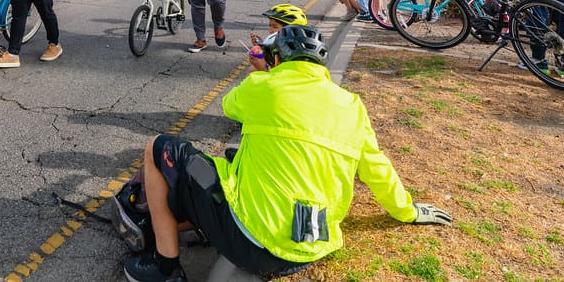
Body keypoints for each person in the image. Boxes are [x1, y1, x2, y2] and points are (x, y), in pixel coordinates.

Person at [118, 25, 452, 282]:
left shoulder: (262, 86)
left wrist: (260, 74)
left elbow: (229, 105)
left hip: (253, 244)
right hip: (311, 248)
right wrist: (409, 211)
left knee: (160, 147)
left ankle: (165, 267)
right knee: (238, 159)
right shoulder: (352, 105)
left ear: (275, 59)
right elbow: (378, 169)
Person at [246, 3, 307, 72]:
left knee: (253, 70)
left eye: (275, 27)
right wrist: (264, 47)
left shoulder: (297, 55)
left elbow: (280, 79)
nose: (270, 31)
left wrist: (261, 68)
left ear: (291, 30)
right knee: (253, 69)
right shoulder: (290, 46)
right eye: (270, 26)